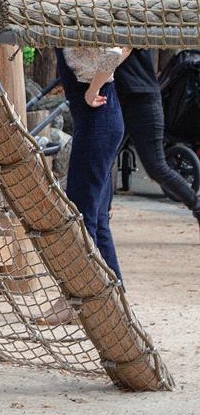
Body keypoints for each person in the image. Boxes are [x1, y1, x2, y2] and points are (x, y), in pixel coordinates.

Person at [55, 44, 130, 282]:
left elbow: (116, 52)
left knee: (81, 213)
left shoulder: (84, 24)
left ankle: (86, 289)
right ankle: (114, 292)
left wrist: (94, 88)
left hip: (97, 118)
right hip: (102, 119)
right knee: (97, 218)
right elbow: (124, 49)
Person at [114, 49, 200, 230]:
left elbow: (121, 52)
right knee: (104, 165)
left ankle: (197, 206)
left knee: (156, 167)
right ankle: (99, 223)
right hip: (119, 101)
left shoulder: (128, 35)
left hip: (143, 102)